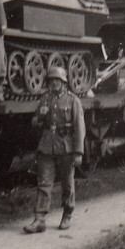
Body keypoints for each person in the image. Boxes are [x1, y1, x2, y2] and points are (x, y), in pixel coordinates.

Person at [23, 66, 86, 233]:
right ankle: (39, 219)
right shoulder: (45, 100)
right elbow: (34, 123)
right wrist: (40, 117)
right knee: (43, 183)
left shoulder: (73, 101)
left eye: (57, 80)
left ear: (64, 82)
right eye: (51, 81)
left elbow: (80, 128)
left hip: (66, 147)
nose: (53, 83)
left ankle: (67, 214)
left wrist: (78, 152)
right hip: (47, 146)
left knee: (67, 184)